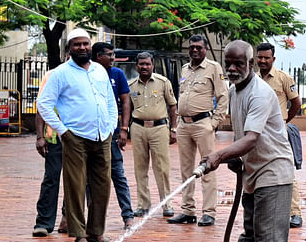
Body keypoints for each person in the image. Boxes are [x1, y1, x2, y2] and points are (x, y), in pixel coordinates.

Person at [203, 41, 295, 242]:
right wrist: (237, 159)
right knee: (250, 234)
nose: (232, 68)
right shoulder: (233, 91)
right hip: (253, 169)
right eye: (228, 63)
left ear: (250, 64)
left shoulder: (260, 94)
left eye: (238, 64)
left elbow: (252, 138)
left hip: (274, 170)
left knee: (269, 236)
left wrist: (219, 156)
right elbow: (241, 133)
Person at [36, 29, 118, 242]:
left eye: (85, 44)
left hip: (102, 136)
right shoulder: (61, 73)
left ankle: (96, 232)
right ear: (69, 48)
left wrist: (111, 126)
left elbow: (110, 101)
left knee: (102, 186)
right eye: (77, 45)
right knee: (76, 186)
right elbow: (43, 103)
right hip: (75, 137)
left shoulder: (100, 70)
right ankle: (79, 234)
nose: (82, 48)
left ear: (90, 46)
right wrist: (62, 131)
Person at [169, 33, 228, 226]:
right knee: (186, 169)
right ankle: (187, 211)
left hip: (203, 124)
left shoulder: (213, 68)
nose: (194, 50)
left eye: (198, 47)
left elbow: (223, 97)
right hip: (184, 125)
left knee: (207, 168)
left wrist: (213, 123)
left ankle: (209, 212)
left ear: (205, 49)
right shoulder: (185, 68)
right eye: (191, 47)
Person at [255, 42, 305, 228]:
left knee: (287, 170)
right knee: (258, 170)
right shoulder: (253, 79)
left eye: (266, 57)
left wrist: (284, 122)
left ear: (273, 59)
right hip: (257, 132)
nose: (263, 60)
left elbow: (296, 103)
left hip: (278, 132)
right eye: (260, 57)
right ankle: (265, 212)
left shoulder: (283, 78)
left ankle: (294, 213)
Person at [129, 51, 178, 218]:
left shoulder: (163, 82)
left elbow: (173, 107)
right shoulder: (131, 86)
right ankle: (143, 204)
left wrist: (173, 129)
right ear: (136, 66)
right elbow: (128, 109)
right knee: (140, 168)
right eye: (141, 64)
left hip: (159, 128)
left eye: (147, 64)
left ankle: (167, 204)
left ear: (153, 65)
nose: (144, 67)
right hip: (138, 128)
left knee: (162, 168)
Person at [92, 42, 134, 227]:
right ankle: (77, 218)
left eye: (113, 54)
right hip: (89, 134)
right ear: (97, 56)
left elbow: (125, 102)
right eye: (108, 54)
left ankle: (128, 216)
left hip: (111, 133)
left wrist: (123, 129)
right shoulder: (89, 73)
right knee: (85, 179)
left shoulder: (117, 74)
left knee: (118, 174)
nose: (112, 58)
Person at [32, 62, 64, 237]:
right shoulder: (51, 75)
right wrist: (40, 136)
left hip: (80, 137)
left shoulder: (89, 75)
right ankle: (43, 222)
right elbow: (41, 106)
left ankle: (71, 219)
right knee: (51, 179)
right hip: (55, 138)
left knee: (80, 181)